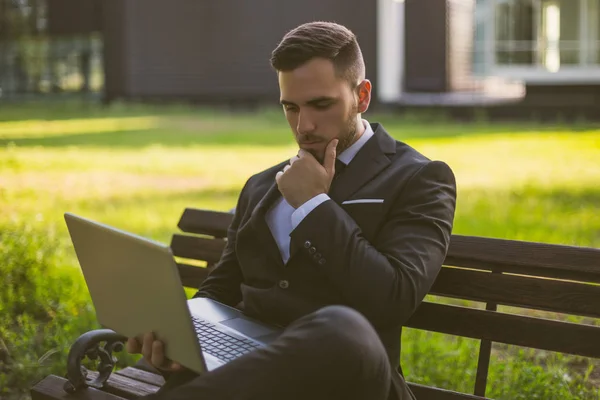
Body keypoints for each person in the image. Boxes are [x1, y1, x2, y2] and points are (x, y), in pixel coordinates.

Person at [127, 21, 457, 400]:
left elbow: (394, 299)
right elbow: (222, 288)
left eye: (321, 104)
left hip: (350, 379)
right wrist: (181, 338)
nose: (304, 126)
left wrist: (314, 205)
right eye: (290, 107)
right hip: (250, 375)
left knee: (342, 326)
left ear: (361, 96)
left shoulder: (419, 178)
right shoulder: (262, 185)